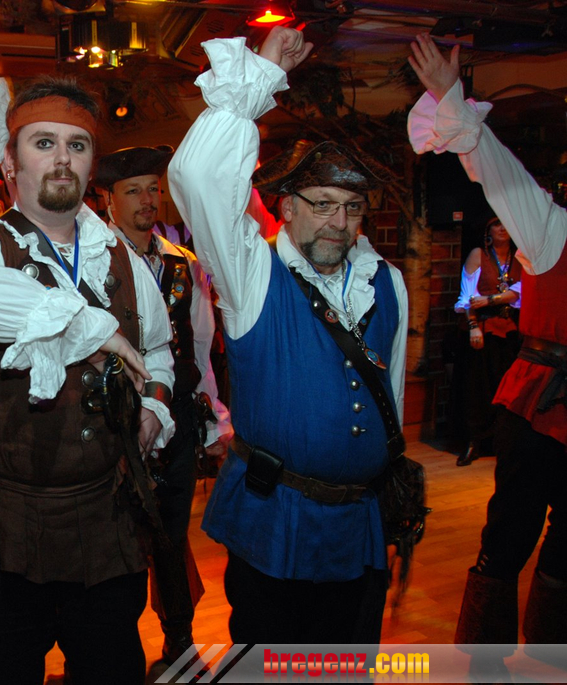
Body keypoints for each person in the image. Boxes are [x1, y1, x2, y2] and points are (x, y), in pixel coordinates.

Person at [0, 40, 175, 684]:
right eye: (43, 143)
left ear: (91, 163)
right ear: (10, 159)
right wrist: (86, 327)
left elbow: (158, 349)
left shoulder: (121, 258)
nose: (61, 158)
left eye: (76, 145)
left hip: (103, 513)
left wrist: (155, 406)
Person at [168, 26, 408, 644]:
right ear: (287, 206)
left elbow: (393, 394)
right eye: (322, 203)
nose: (338, 222)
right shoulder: (252, 276)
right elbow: (198, 177)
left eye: (352, 207)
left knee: (347, 664)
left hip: (359, 520)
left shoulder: (385, 282)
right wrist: (261, 76)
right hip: (275, 515)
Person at [408, 33, 567, 659]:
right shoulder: (551, 228)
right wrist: (451, 97)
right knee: (510, 531)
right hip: (540, 406)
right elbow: (503, 178)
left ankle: (550, 653)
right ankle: (482, 658)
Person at [93, 146, 232, 670]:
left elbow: (201, 346)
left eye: (153, 189)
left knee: (172, 536)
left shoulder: (182, 263)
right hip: (111, 422)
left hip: (178, 421)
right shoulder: (93, 259)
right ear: (109, 200)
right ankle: (113, 657)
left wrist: (214, 419)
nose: (148, 200)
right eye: (134, 190)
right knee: (118, 543)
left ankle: (180, 645)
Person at [452, 216, 522, 466]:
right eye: (496, 224)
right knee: (477, 387)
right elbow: (468, 296)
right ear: (488, 230)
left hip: (509, 329)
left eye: (505, 223)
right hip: (482, 328)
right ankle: (474, 441)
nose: (502, 228)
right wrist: (473, 326)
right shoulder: (478, 255)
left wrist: (492, 299)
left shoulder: (520, 258)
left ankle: (500, 442)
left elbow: (520, 293)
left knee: (503, 387)